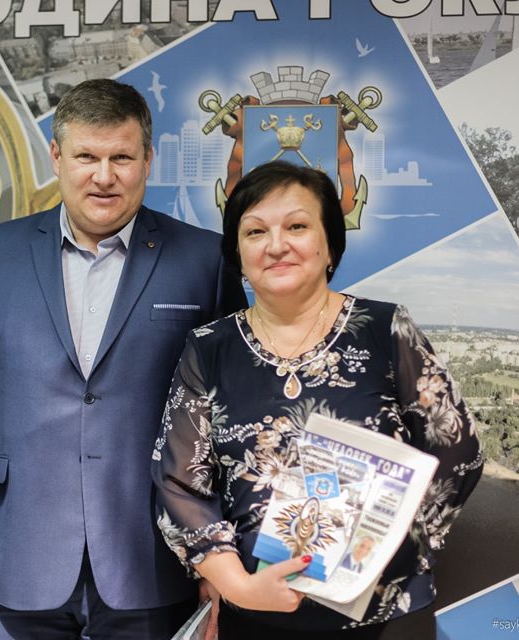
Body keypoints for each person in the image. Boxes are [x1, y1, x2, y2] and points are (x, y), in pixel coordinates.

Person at [0, 78, 247, 639]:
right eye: (86, 157)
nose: (104, 176)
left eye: (121, 157)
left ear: (148, 160)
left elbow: (230, 421)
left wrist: (219, 558)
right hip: (11, 562)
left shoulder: (204, 260)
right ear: (56, 156)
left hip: (154, 563)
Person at [151, 161, 483, 638]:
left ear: (330, 244)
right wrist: (238, 586)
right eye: (255, 231)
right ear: (238, 253)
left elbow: (457, 450)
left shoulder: (385, 330)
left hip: (384, 611)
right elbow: (179, 485)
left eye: (297, 226)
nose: (276, 245)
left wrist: (387, 548)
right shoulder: (208, 348)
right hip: (257, 615)